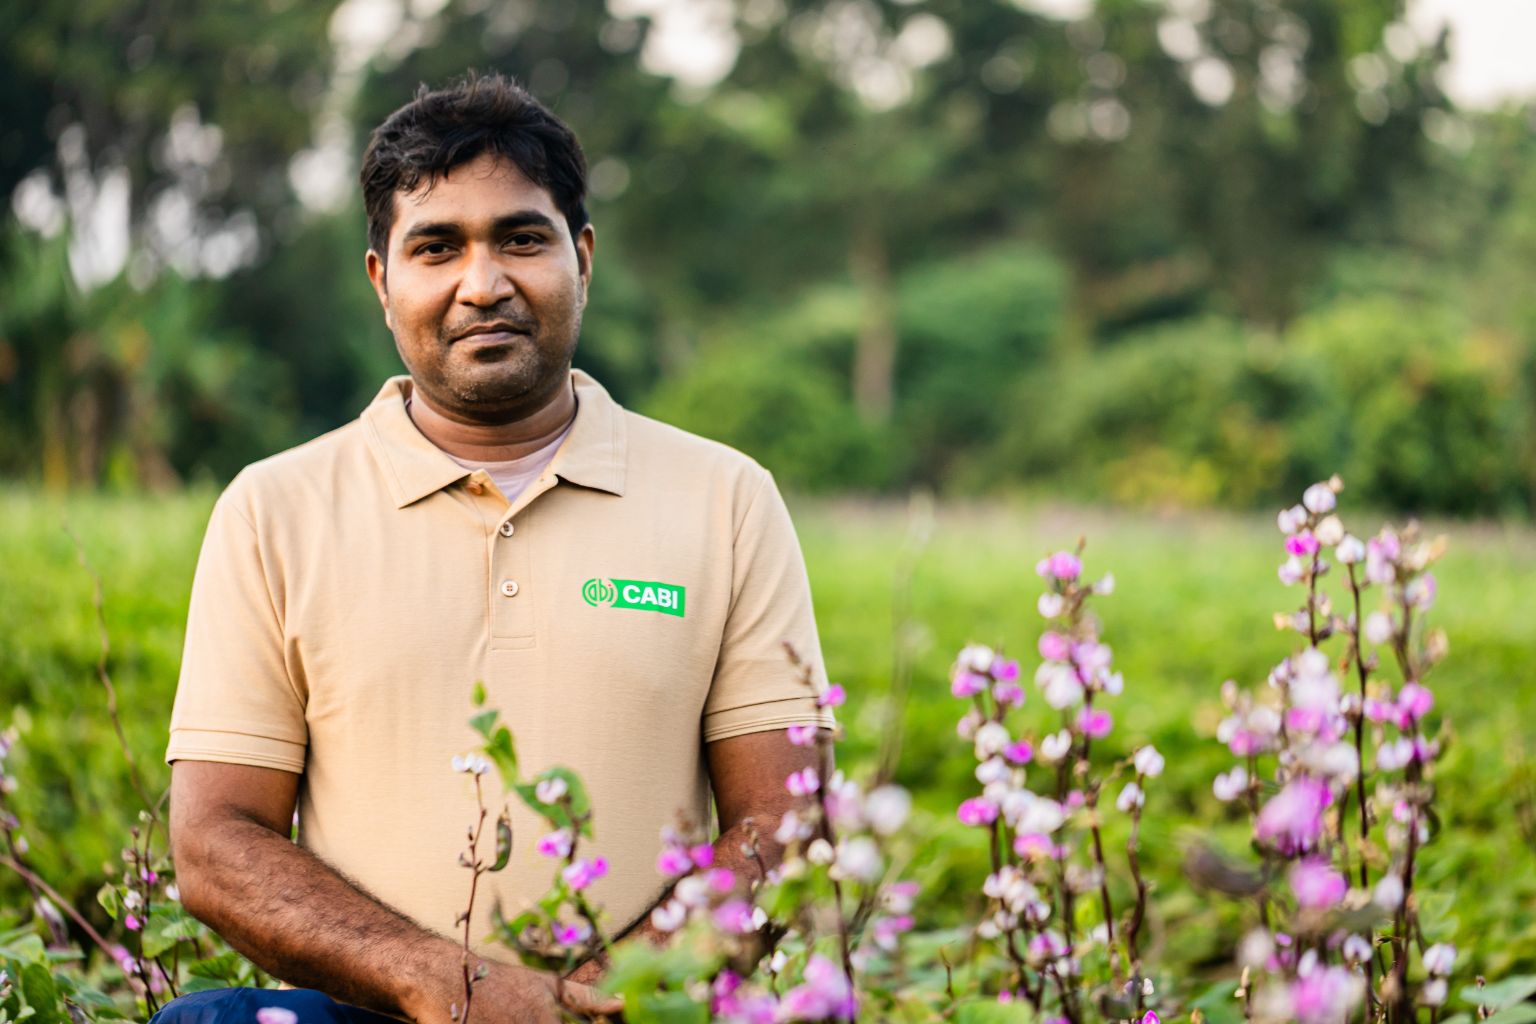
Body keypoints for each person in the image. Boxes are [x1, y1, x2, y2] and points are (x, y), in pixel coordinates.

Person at [155, 72, 836, 1024]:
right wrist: (447, 985)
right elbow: (215, 843)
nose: (484, 283)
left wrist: (595, 1004)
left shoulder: (725, 499)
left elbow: (786, 815)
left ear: (583, 259)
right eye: (437, 247)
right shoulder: (275, 509)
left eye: (522, 238)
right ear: (382, 281)